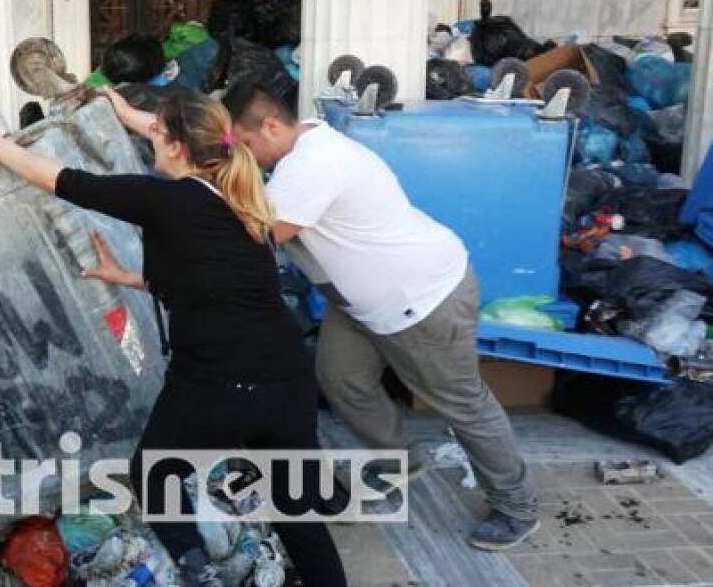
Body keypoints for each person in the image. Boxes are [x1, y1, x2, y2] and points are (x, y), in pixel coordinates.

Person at [0, 90, 347, 587]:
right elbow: (216, 282)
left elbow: (66, 182)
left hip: (221, 381)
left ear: (178, 147)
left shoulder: (168, 198)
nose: (151, 141)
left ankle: (200, 573)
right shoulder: (244, 201)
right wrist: (128, 277)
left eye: (157, 133)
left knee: (155, 472)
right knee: (295, 514)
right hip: (288, 378)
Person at [222, 81, 539, 551]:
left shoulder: (313, 164)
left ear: (270, 126)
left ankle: (516, 506)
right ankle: (402, 458)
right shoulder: (303, 147)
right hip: (359, 304)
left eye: (245, 145)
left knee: (463, 405)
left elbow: (259, 237)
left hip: (421, 300)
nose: (244, 156)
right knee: (341, 378)